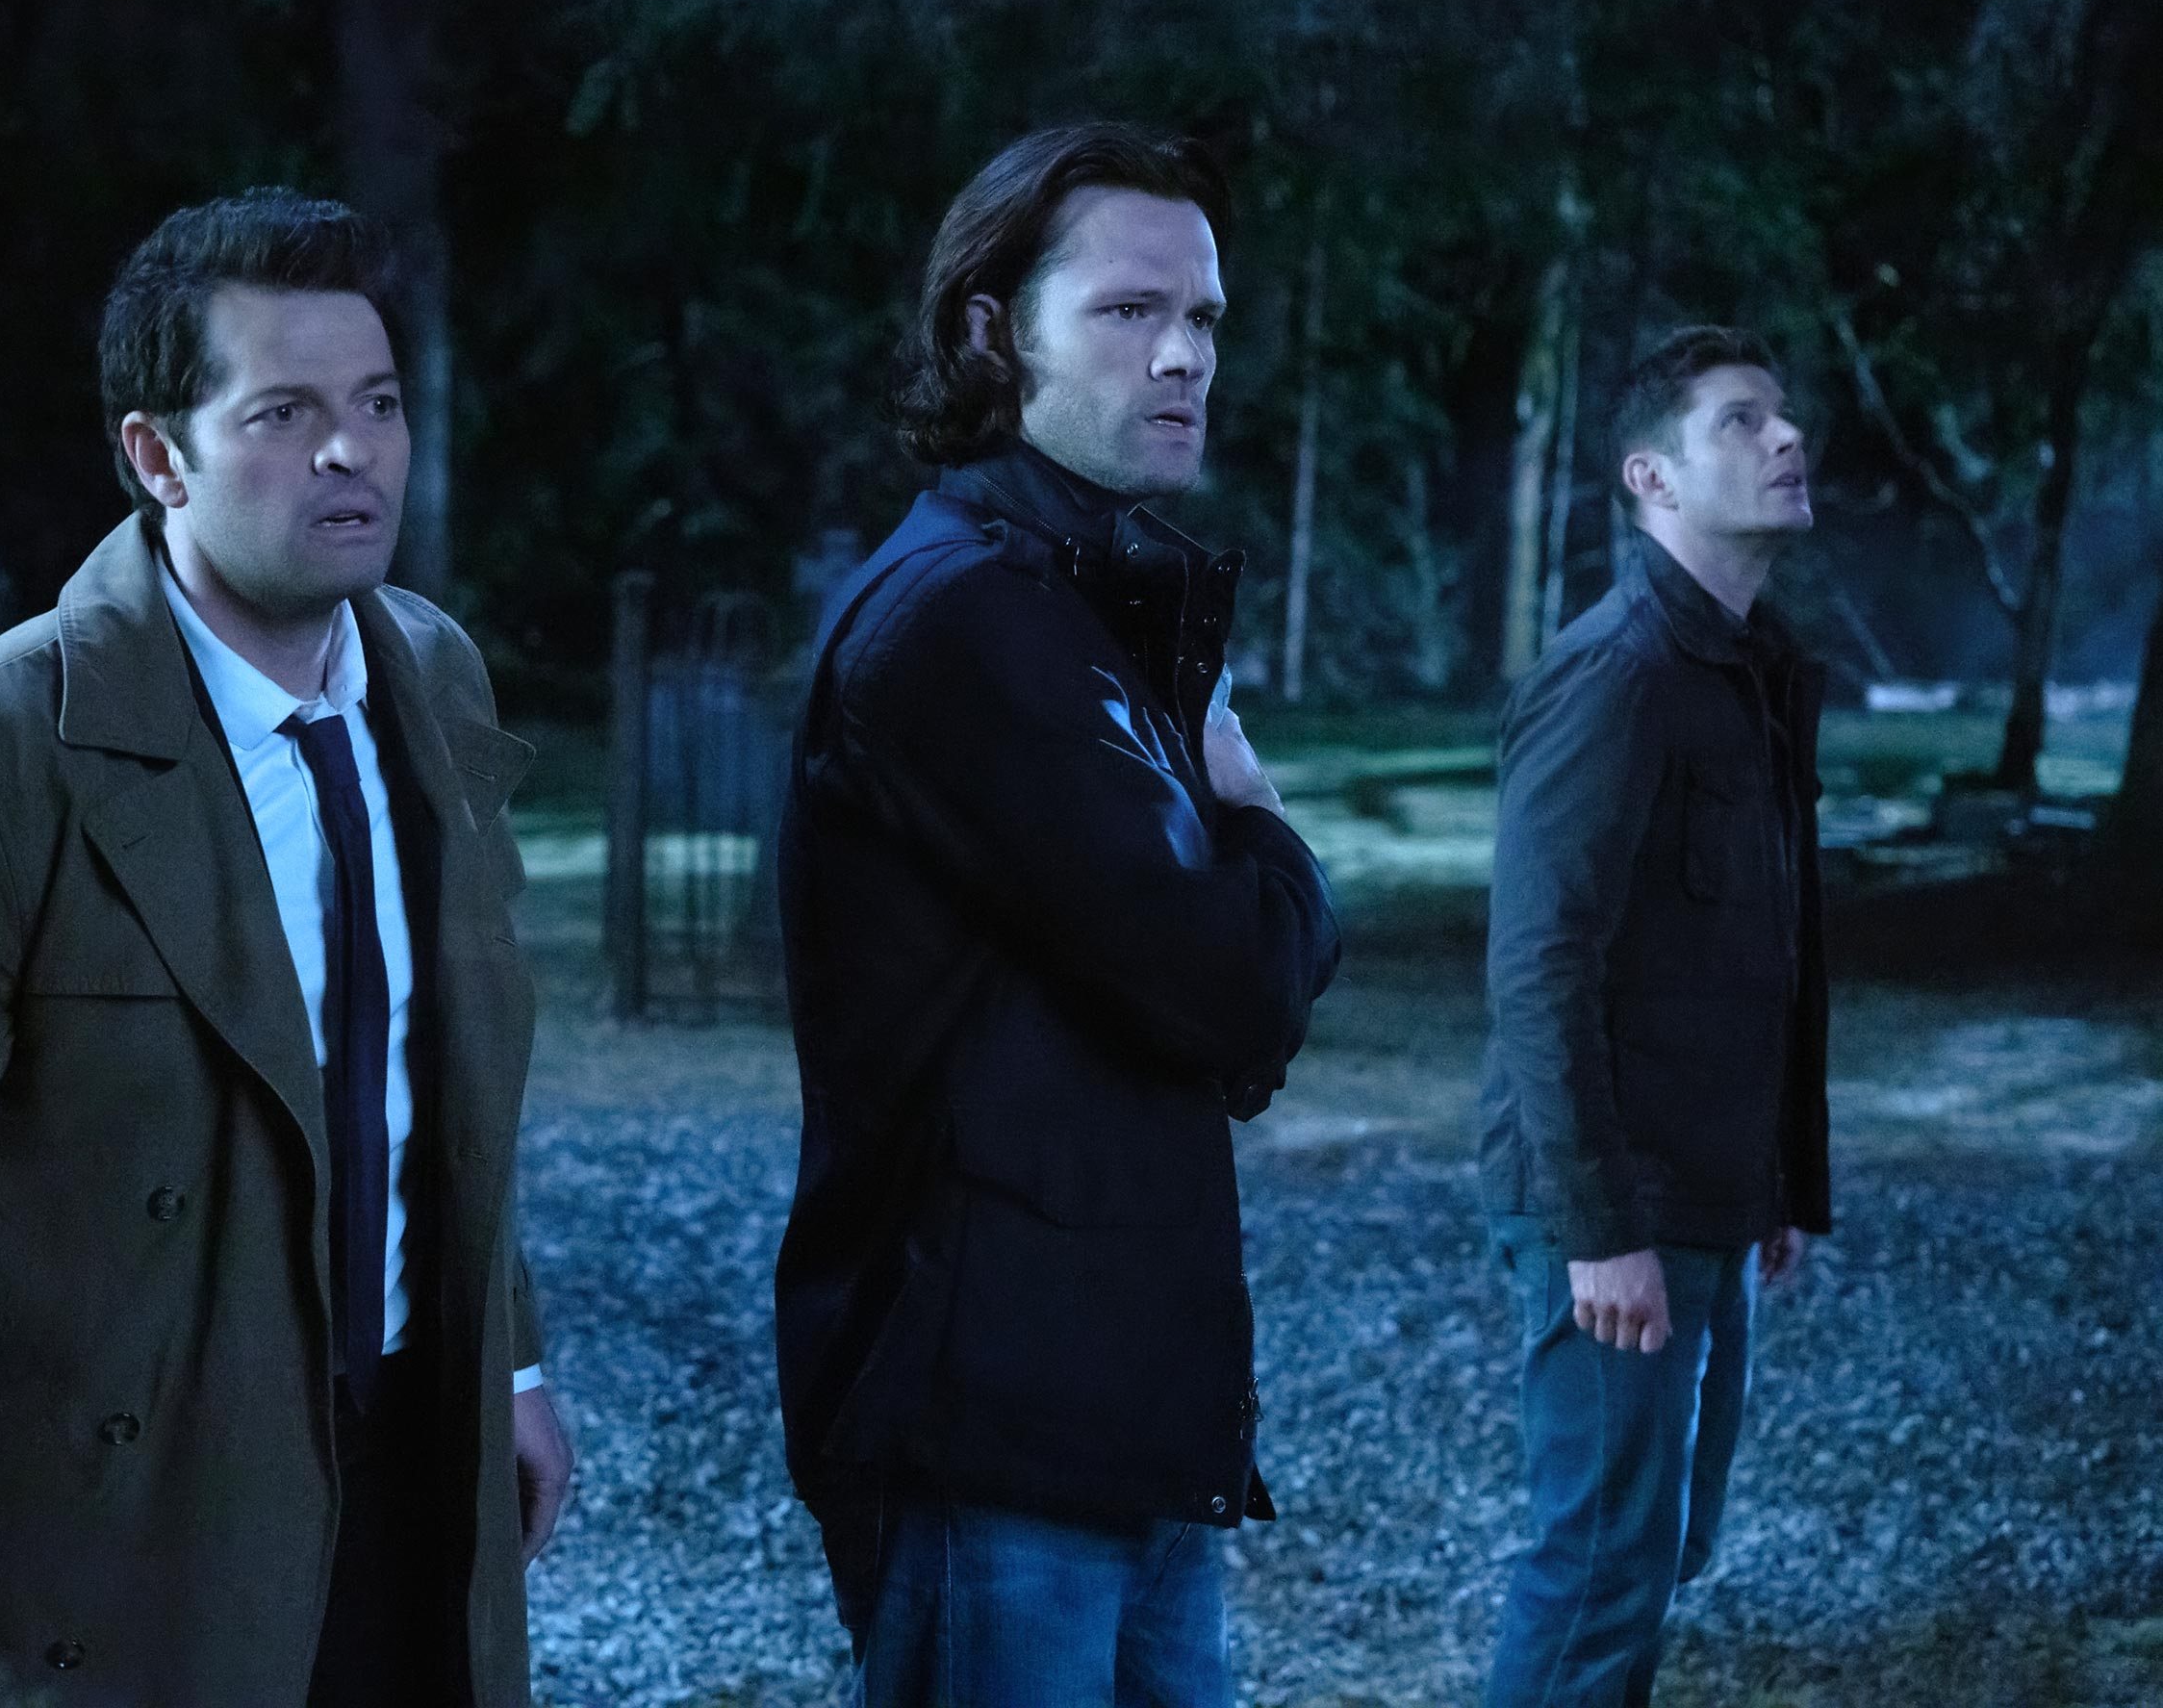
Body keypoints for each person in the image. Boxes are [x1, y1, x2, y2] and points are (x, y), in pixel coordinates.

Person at [0, 189, 570, 1707]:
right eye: (285, 412)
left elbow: (435, 1088)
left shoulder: (433, 676)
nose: (351, 451)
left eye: (378, 404)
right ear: (157, 456)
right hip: (116, 1522)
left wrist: (503, 1364)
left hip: (415, 1471)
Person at [772, 122, 1344, 1707]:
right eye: (1128, 310)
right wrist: (1263, 821)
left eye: (1204, 317)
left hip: (1116, 1408)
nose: (1183, 355)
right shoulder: (967, 620)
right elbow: (1235, 989)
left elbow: (1208, 1020)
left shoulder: (1071, 602)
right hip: (996, 1421)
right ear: (991, 332)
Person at [1476, 324, 1832, 1707]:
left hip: (1704, 1192)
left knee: (1662, 1547)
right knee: (1599, 1568)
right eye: (1740, 420)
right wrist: (1600, 1227)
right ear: (1653, 477)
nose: (1786, 438)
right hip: (1620, 1202)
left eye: (1782, 416)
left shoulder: (1751, 670)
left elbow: (1759, 950)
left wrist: (1774, 1177)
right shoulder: (1618, 674)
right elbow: (1539, 965)